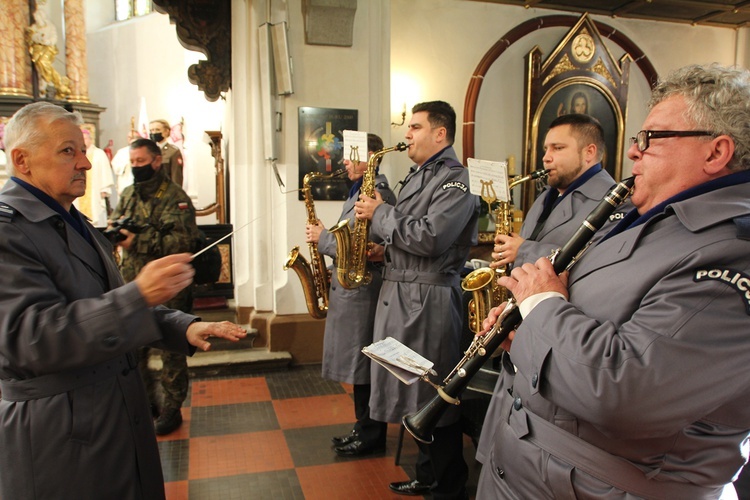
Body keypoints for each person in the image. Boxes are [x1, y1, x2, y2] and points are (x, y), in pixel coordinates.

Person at [476, 63, 750, 499]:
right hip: (536, 466)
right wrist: (526, 332)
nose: (633, 152)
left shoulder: (734, 250)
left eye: (652, 138)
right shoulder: (645, 217)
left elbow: (625, 388)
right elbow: (586, 310)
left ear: (715, 153)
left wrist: (540, 304)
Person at [0, 101, 246, 499]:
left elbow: (110, 302)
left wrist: (184, 325)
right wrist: (138, 294)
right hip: (62, 433)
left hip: (111, 418)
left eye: (82, 150)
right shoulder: (9, 233)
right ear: (22, 160)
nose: (85, 163)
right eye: (69, 151)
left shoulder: (72, 221)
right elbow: (29, 339)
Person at [355, 101, 480, 499]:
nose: (406, 134)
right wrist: (382, 247)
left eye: (415, 127)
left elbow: (430, 237)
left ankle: (448, 485)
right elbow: (408, 236)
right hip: (402, 293)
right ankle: (427, 475)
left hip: (427, 299)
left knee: (432, 395)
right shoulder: (418, 175)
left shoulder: (457, 180)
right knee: (411, 391)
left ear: (440, 134)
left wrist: (381, 214)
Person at [305, 133, 396, 457]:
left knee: (364, 367)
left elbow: (359, 248)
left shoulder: (377, 192)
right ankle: (362, 427)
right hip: (353, 292)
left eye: (351, 154)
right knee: (358, 369)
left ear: (370, 157)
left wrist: (323, 239)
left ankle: (371, 434)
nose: (344, 161)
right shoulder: (360, 190)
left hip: (364, 294)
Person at [109, 138, 198, 436]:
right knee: (134, 352)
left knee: (171, 352)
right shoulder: (128, 194)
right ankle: (147, 404)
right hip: (133, 286)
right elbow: (117, 224)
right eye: (132, 163)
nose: (136, 168)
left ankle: (172, 408)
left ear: (156, 161)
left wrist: (139, 241)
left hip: (168, 288)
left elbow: (184, 243)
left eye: (140, 162)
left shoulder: (175, 197)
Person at [491, 113, 620, 271]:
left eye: (558, 148)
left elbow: (595, 263)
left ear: (589, 152)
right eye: (546, 149)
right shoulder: (548, 195)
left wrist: (523, 250)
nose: (545, 158)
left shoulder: (615, 202)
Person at [73, 128, 116, 227]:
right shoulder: (77, 154)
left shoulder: (99, 153)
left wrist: (105, 188)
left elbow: (105, 171)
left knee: (96, 213)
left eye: (85, 138)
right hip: (80, 191)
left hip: (95, 191)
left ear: (90, 139)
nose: (84, 141)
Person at [149, 119, 184, 187]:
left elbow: (176, 177)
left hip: (165, 192)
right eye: (151, 130)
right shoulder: (148, 151)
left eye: (157, 130)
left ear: (166, 132)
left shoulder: (173, 152)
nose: (154, 133)